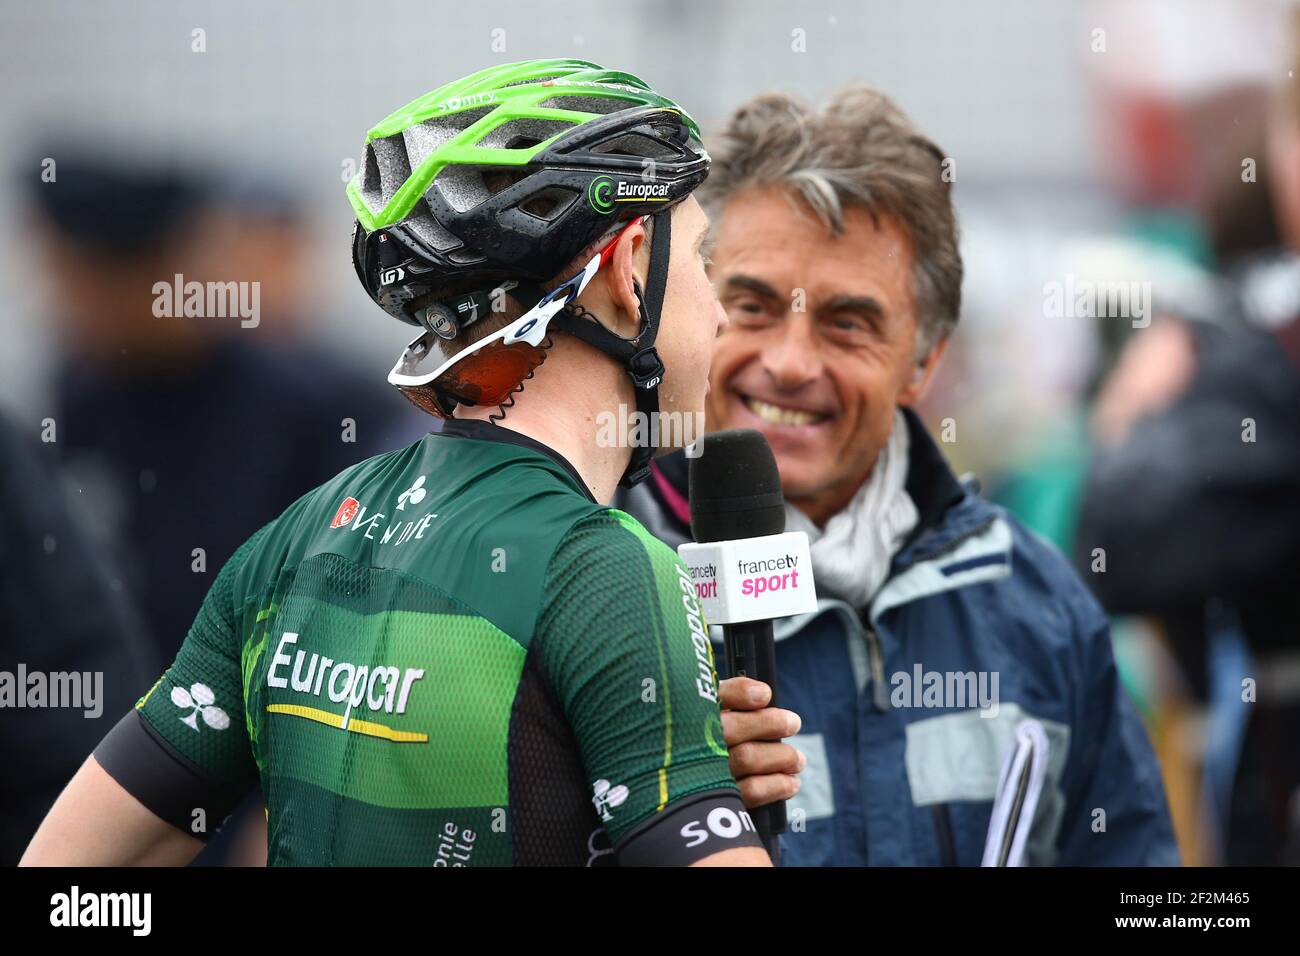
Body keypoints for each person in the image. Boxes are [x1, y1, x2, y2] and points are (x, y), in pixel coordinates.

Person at [22, 59, 797, 867]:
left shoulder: (294, 538)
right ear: (631, 270)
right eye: (704, 259)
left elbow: (69, 883)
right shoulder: (608, 572)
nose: (718, 313)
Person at [617, 87, 1179, 865]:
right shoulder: (596, 588)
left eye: (848, 323)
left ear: (925, 361)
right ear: (692, 315)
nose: (788, 363)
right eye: (751, 306)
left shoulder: (1039, 610)